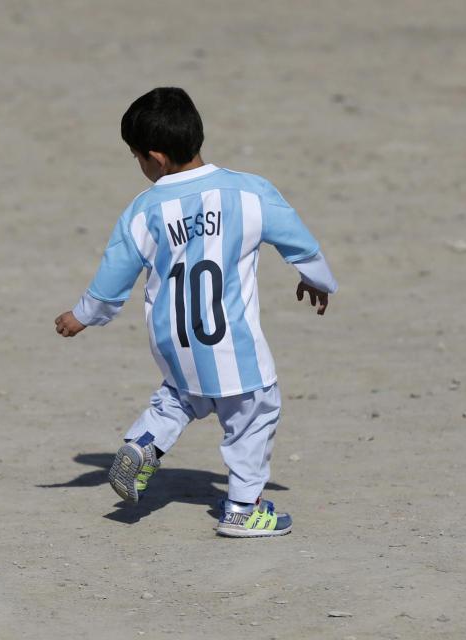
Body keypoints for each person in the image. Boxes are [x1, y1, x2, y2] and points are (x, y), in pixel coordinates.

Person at [54, 87, 337, 538]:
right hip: (233, 345)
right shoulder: (248, 191)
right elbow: (298, 240)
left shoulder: (144, 210)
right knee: (253, 417)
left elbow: (113, 278)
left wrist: (82, 315)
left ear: (155, 158)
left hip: (175, 341)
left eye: (136, 157)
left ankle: (144, 442)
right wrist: (316, 278)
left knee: (179, 397)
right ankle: (243, 509)